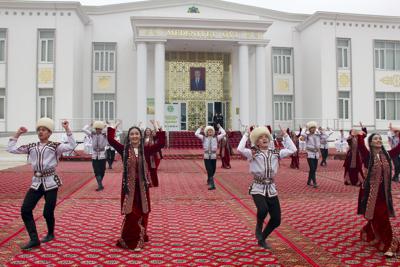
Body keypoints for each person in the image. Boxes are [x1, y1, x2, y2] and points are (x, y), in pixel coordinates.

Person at [7, 118, 75, 250]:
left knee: (47, 212)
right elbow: (11, 148)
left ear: (49, 133)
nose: (40, 132)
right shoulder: (31, 146)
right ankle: (34, 239)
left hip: (51, 183)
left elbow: (72, 145)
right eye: (39, 130)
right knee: (25, 210)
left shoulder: (55, 146)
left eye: (44, 130)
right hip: (36, 183)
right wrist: (18, 133)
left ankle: (50, 233)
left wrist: (67, 128)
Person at [107, 124, 165, 251]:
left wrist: (159, 129)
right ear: (129, 136)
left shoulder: (146, 150)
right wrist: (112, 128)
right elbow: (111, 140)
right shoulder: (124, 149)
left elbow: (161, 144)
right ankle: (131, 241)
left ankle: (141, 234)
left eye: (136, 134)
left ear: (140, 136)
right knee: (132, 214)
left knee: (144, 212)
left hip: (142, 188)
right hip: (129, 189)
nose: (134, 136)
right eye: (132, 134)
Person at [237, 125, 296, 249]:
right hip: (257, 187)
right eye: (260, 137)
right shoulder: (253, 153)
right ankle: (259, 225)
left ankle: (262, 238)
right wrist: (246, 135)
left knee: (276, 219)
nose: (264, 139)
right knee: (263, 209)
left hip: (271, 188)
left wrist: (285, 136)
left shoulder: (276, 153)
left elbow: (293, 149)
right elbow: (240, 149)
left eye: (266, 137)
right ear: (256, 142)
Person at [357, 127, 400, 257]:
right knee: (374, 215)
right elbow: (360, 145)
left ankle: (390, 244)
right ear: (370, 143)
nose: (378, 140)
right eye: (375, 139)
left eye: (380, 139)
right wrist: (360, 134)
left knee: (383, 217)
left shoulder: (387, 154)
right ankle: (375, 235)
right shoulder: (367, 155)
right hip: (370, 193)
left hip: (384, 194)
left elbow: (399, 148)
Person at [195, 124, 226, 190]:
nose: (210, 132)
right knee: (209, 169)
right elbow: (196, 134)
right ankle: (212, 184)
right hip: (206, 156)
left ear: (213, 132)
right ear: (206, 132)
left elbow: (224, 133)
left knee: (213, 170)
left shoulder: (216, 138)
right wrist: (200, 128)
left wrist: (220, 127)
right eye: (209, 131)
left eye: (211, 131)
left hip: (213, 156)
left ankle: (209, 178)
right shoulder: (203, 137)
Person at [83, 121, 108, 191]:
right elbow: (83, 129)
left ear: (101, 129)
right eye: (96, 129)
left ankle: (100, 183)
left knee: (102, 171)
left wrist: (105, 126)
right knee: (96, 170)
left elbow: (111, 130)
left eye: (99, 129)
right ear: (95, 129)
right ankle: (100, 185)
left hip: (102, 155)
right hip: (94, 155)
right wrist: (89, 124)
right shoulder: (92, 134)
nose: (98, 130)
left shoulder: (105, 134)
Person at [143, 120, 165, 187]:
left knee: (153, 170)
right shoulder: (143, 139)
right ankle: (147, 182)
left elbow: (159, 134)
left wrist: (155, 125)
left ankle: (153, 182)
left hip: (153, 156)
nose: (148, 132)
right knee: (145, 169)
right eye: (146, 131)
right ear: (145, 132)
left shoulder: (153, 138)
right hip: (145, 156)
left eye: (149, 131)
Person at [300, 121, 321, 188]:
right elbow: (302, 138)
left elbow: (324, 137)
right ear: (309, 129)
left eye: (314, 128)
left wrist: (322, 130)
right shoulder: (307, 135)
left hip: (316, 153)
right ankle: (314, 182)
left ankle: (309, 181)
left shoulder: (317, 134)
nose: (313, 129)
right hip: (310, 153)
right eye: (312, 128)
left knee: (314, 169)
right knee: (312, 168)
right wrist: (304, 129)